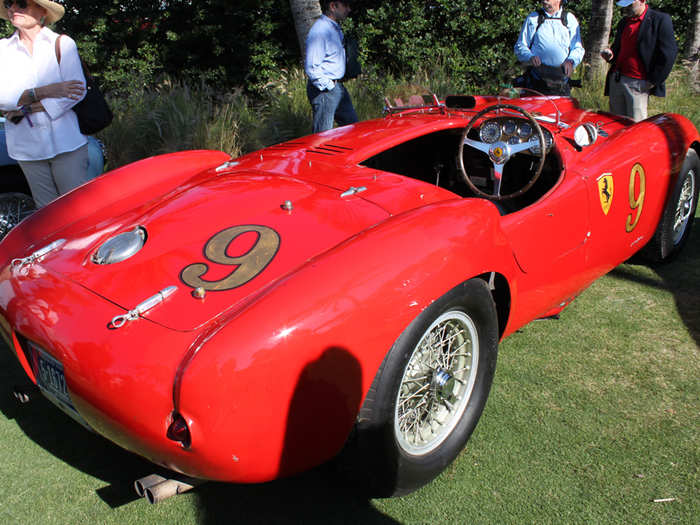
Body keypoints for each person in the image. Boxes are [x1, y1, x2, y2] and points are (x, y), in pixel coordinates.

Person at [0, 0, 89, 209]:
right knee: (46, 212)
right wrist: (47, 91)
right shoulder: (2, 50)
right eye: (9, 3)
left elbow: (76, 92)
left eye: (21, 3)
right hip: (26, 147)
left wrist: (24, 104)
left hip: (67, 143)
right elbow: (3, 97)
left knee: (77, 208)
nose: (13, 8)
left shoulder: (62, 44)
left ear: (42, 11)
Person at [601, 0, 678, 122]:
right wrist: (610, 55)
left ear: (642, 1)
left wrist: (653, 81)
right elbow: (617, 49)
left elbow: (669, 53)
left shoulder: (660, 20)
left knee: (635, 127)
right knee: (614, 125)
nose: (626, 8)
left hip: (639, 84)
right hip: (617, 80)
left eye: (630, 4)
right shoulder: (624, 22)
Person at [304, 0, 358, 133]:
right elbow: (311, 67)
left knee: (353, 128)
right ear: (333, 6)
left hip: (337, 87)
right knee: (322, 138)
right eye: (345, 5)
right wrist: (329, 86)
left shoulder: (334, 28)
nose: (349, 9)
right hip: (324, 90)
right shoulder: (320, 31)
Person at [514, 0, 585, 96]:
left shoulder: (569, 19)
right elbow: (520, 46)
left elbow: (578, 48)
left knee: (561, 111)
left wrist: (571, 61)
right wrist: (530, 57)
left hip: (561, 82)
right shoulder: (533, 18)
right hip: (536, 81)